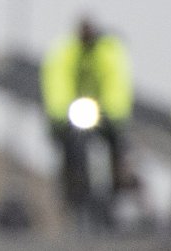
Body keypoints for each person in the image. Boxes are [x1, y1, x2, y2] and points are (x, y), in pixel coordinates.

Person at [40, 13, 134, 223]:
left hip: (104, 112)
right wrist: (59, 112)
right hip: (76, 112)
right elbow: (57, 82)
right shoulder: (65, 51)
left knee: (119, 144)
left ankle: (119, 187)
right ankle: (73, 191)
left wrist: (114, 111)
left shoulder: (109, 51)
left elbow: (117, 82)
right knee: (69, 145)